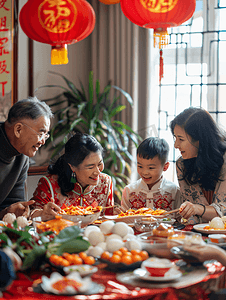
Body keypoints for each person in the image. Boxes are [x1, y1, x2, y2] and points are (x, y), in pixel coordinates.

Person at [30, 133, 114, 221]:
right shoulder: (49, 184)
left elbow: (108, 220)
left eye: (100, 164)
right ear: (72, 166)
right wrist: (42, 214)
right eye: (90, 167)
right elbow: (30, 214)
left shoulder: (105, 182)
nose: (98, 171)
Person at [170, 107, 226, 224]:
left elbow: (223, 210)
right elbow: (191, 217)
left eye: (181, 139)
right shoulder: (182, 165)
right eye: (175, 138)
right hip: (198, 235)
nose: (176, 145)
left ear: (200, 139)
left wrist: (196, 209)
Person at [0, 97, 53, 220]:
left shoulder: (22, 157)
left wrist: (10, 212)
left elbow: (13, 205)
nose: (43, 141)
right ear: (18, 129)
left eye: (46, 135)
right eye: (41, 134)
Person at [120, 137, 181, 212]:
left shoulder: (174, 191)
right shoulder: (129, 191)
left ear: (165, 167)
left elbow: (180, 219)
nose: (145, 172)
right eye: (140, 166)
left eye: (151, 168)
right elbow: (124, 218)